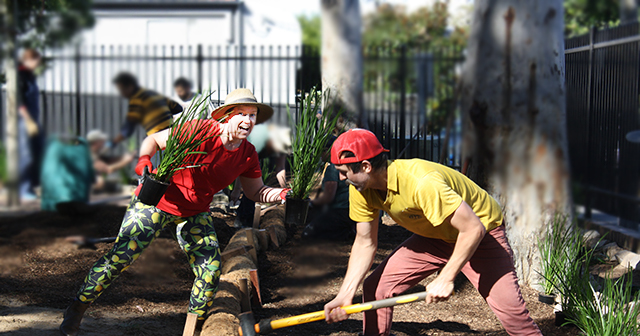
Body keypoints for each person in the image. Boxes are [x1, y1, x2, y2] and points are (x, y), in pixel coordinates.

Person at [60, 88, 289, 336]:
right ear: (226, 116)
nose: (248, 121)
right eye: (241, 114)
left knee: (210, 271)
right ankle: (78, 307)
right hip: (158, 201)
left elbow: (256, 192)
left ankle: (194, 327)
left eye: (253, 115)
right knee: (121, 257)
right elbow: (155, 140)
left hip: (194, 212)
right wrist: (144, 159)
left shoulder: (247, 155)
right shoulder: (200, 131)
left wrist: (283, 195)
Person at [323, 129, 542, 336]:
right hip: (437, 236)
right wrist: (345, 294)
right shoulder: (362, 189)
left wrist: (446, 277)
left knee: (513, 316)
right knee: (376, 287)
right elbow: (364, 243)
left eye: (343, 172)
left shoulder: (421, 183)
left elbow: (473, 228)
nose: (342, 179)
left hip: (482, 233)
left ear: (366, 167)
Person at [302, 138, 356, 240]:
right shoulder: (345, 164)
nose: (319, 155)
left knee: (307, 234)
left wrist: (310, 203)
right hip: (351, 211)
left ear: (328, 150)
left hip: (340, 211)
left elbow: (328, 197)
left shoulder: (332, 168)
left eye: (320, 151)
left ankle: (345, 232)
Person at [111, 72, 183, 145]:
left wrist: (113, 142)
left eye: (122, 90)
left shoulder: (136, 100)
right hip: (173, 134)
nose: (121, 93)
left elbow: (128, 128)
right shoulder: (153, 94)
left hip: (158, 138)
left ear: (130, 86)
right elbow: (178, 108)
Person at [18, 48, 44, 200]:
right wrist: (28, 120)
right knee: (26, 154)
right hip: (23, 121)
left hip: (34, 119)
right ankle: (23, 188)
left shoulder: (30, 76)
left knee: (38, 151)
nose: (37, 64)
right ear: (28, 59)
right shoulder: (20, 76)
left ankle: (33, 186)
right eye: (36, 61)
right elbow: (19, 101)